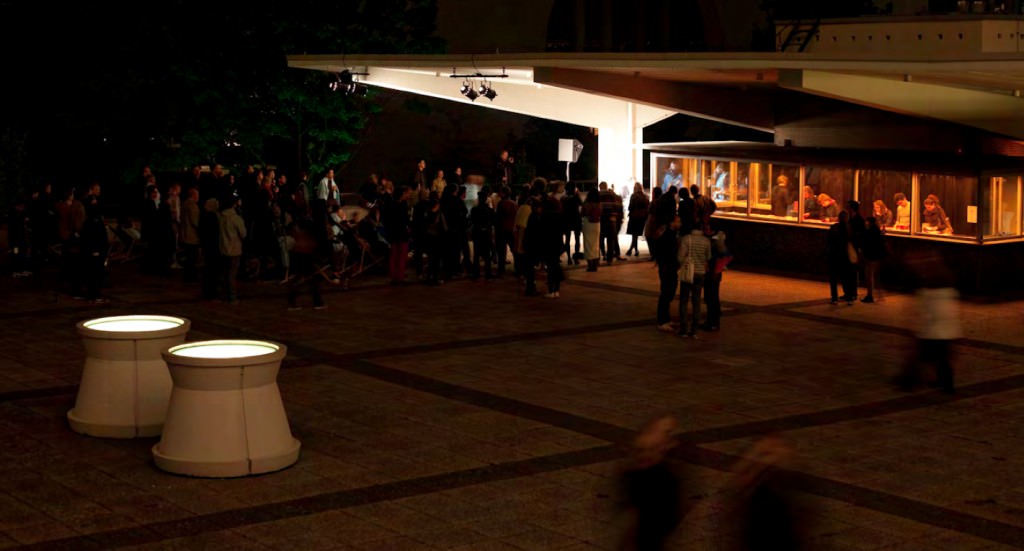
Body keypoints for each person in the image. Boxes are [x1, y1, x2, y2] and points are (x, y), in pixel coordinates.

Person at [895, 252, 960, 394]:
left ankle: (909, 382)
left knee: (921, 358)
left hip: (933, 332)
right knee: (942, 360)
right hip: (946, 332)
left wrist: (917, 327)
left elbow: (926, 313)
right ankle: (945, 384)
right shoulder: (948, 292)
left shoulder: (929, 293)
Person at [618, 415, 684, 550]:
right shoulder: (636, 473)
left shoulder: (665, 476)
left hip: (650, 534)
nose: (645, 455)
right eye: (641, 451)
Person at [676, 219, 711, 338]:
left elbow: (680, 257)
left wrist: (684, 264)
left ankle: (684, 329)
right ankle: (694, 329)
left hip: (688, 273)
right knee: (697, 301)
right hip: (700, 273)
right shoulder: (706, 241)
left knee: (684, 301)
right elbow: (708, 257)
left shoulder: (686, 239)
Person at [286, 215, 326, 311]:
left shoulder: (301, 233)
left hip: (299, 254)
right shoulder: (308, 232)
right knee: (310, 280)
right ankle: (317, 302)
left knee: (302, 279)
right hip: (305, 255)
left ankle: (294, 301)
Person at [218, 193, 247, 305]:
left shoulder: (221, 217)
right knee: (232, 275)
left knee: (225, 273)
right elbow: (243, 234)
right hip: (234, 249)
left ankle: (223, 294)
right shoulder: (235, 218)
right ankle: (232, 296)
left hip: (223, 248)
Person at [826, 211, 857, 304]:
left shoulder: (834, 228)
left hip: (834, 255)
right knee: (846, 277)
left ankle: (834, 298)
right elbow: (854, 241)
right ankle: (849, 297)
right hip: (845, 256)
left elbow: (829, 241)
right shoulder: (850, 228)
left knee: (833, 278)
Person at [384, 186, 412, 285]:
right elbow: (402, 220)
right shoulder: (397, 205)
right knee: (399, 255)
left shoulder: (397, 204)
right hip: (399, 233)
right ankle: (398, 277)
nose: (409, 195)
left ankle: (396, 276)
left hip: (395, 233)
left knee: (396, 255)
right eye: (407, 193)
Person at [469, 189, 496, 279]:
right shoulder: (490, 210)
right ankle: (488, 273)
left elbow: (471, 220)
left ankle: (476, 273)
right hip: (486, 233)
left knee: (476, 254)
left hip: (477, 232)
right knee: (487, 254)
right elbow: (493, 221)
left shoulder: (474, 209)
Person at [860, 216, 887, 303]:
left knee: (869, 275)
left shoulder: (868, 232)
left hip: (870, 255)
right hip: (877, 255)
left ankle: (870, 295)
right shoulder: (877, 231)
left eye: (866, 222)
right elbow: (882, 240)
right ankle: (880, 294)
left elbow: (865, 242)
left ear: (869, 222)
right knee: (875, 274)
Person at [180, 187, 201, 282]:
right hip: (192, 235)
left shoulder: (184, 204)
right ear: (194, 195)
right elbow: (195, 221)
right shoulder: (192, 205)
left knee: (189, 256)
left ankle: (187, 275)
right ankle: (191, 276)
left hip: (185, 233)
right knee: (192, 257)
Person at [561, 182, 583, 264]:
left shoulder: (563, 198)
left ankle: (569, 258)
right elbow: (581, 204)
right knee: (577, 239)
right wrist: (578, 193)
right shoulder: (576, 197)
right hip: (576, 219)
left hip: (566, 219)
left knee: (567, 239)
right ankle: (576, 258)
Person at [625, 182, 649, 257]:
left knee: (634, 234)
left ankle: (632, 249)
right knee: (635, 234)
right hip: (642, 217)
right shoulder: (645, 196)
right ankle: (634, 250)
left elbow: (630, 207)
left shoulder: (634, 196)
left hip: (634, 216)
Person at [581, 189, 603, 272]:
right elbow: (601, 213)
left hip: (588, 223)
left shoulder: (586, 204)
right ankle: (595, 263)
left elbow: (583, 213)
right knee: (596, 244)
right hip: (597, 224)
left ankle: (590, 265)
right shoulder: (599, 204)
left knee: (588, 244)